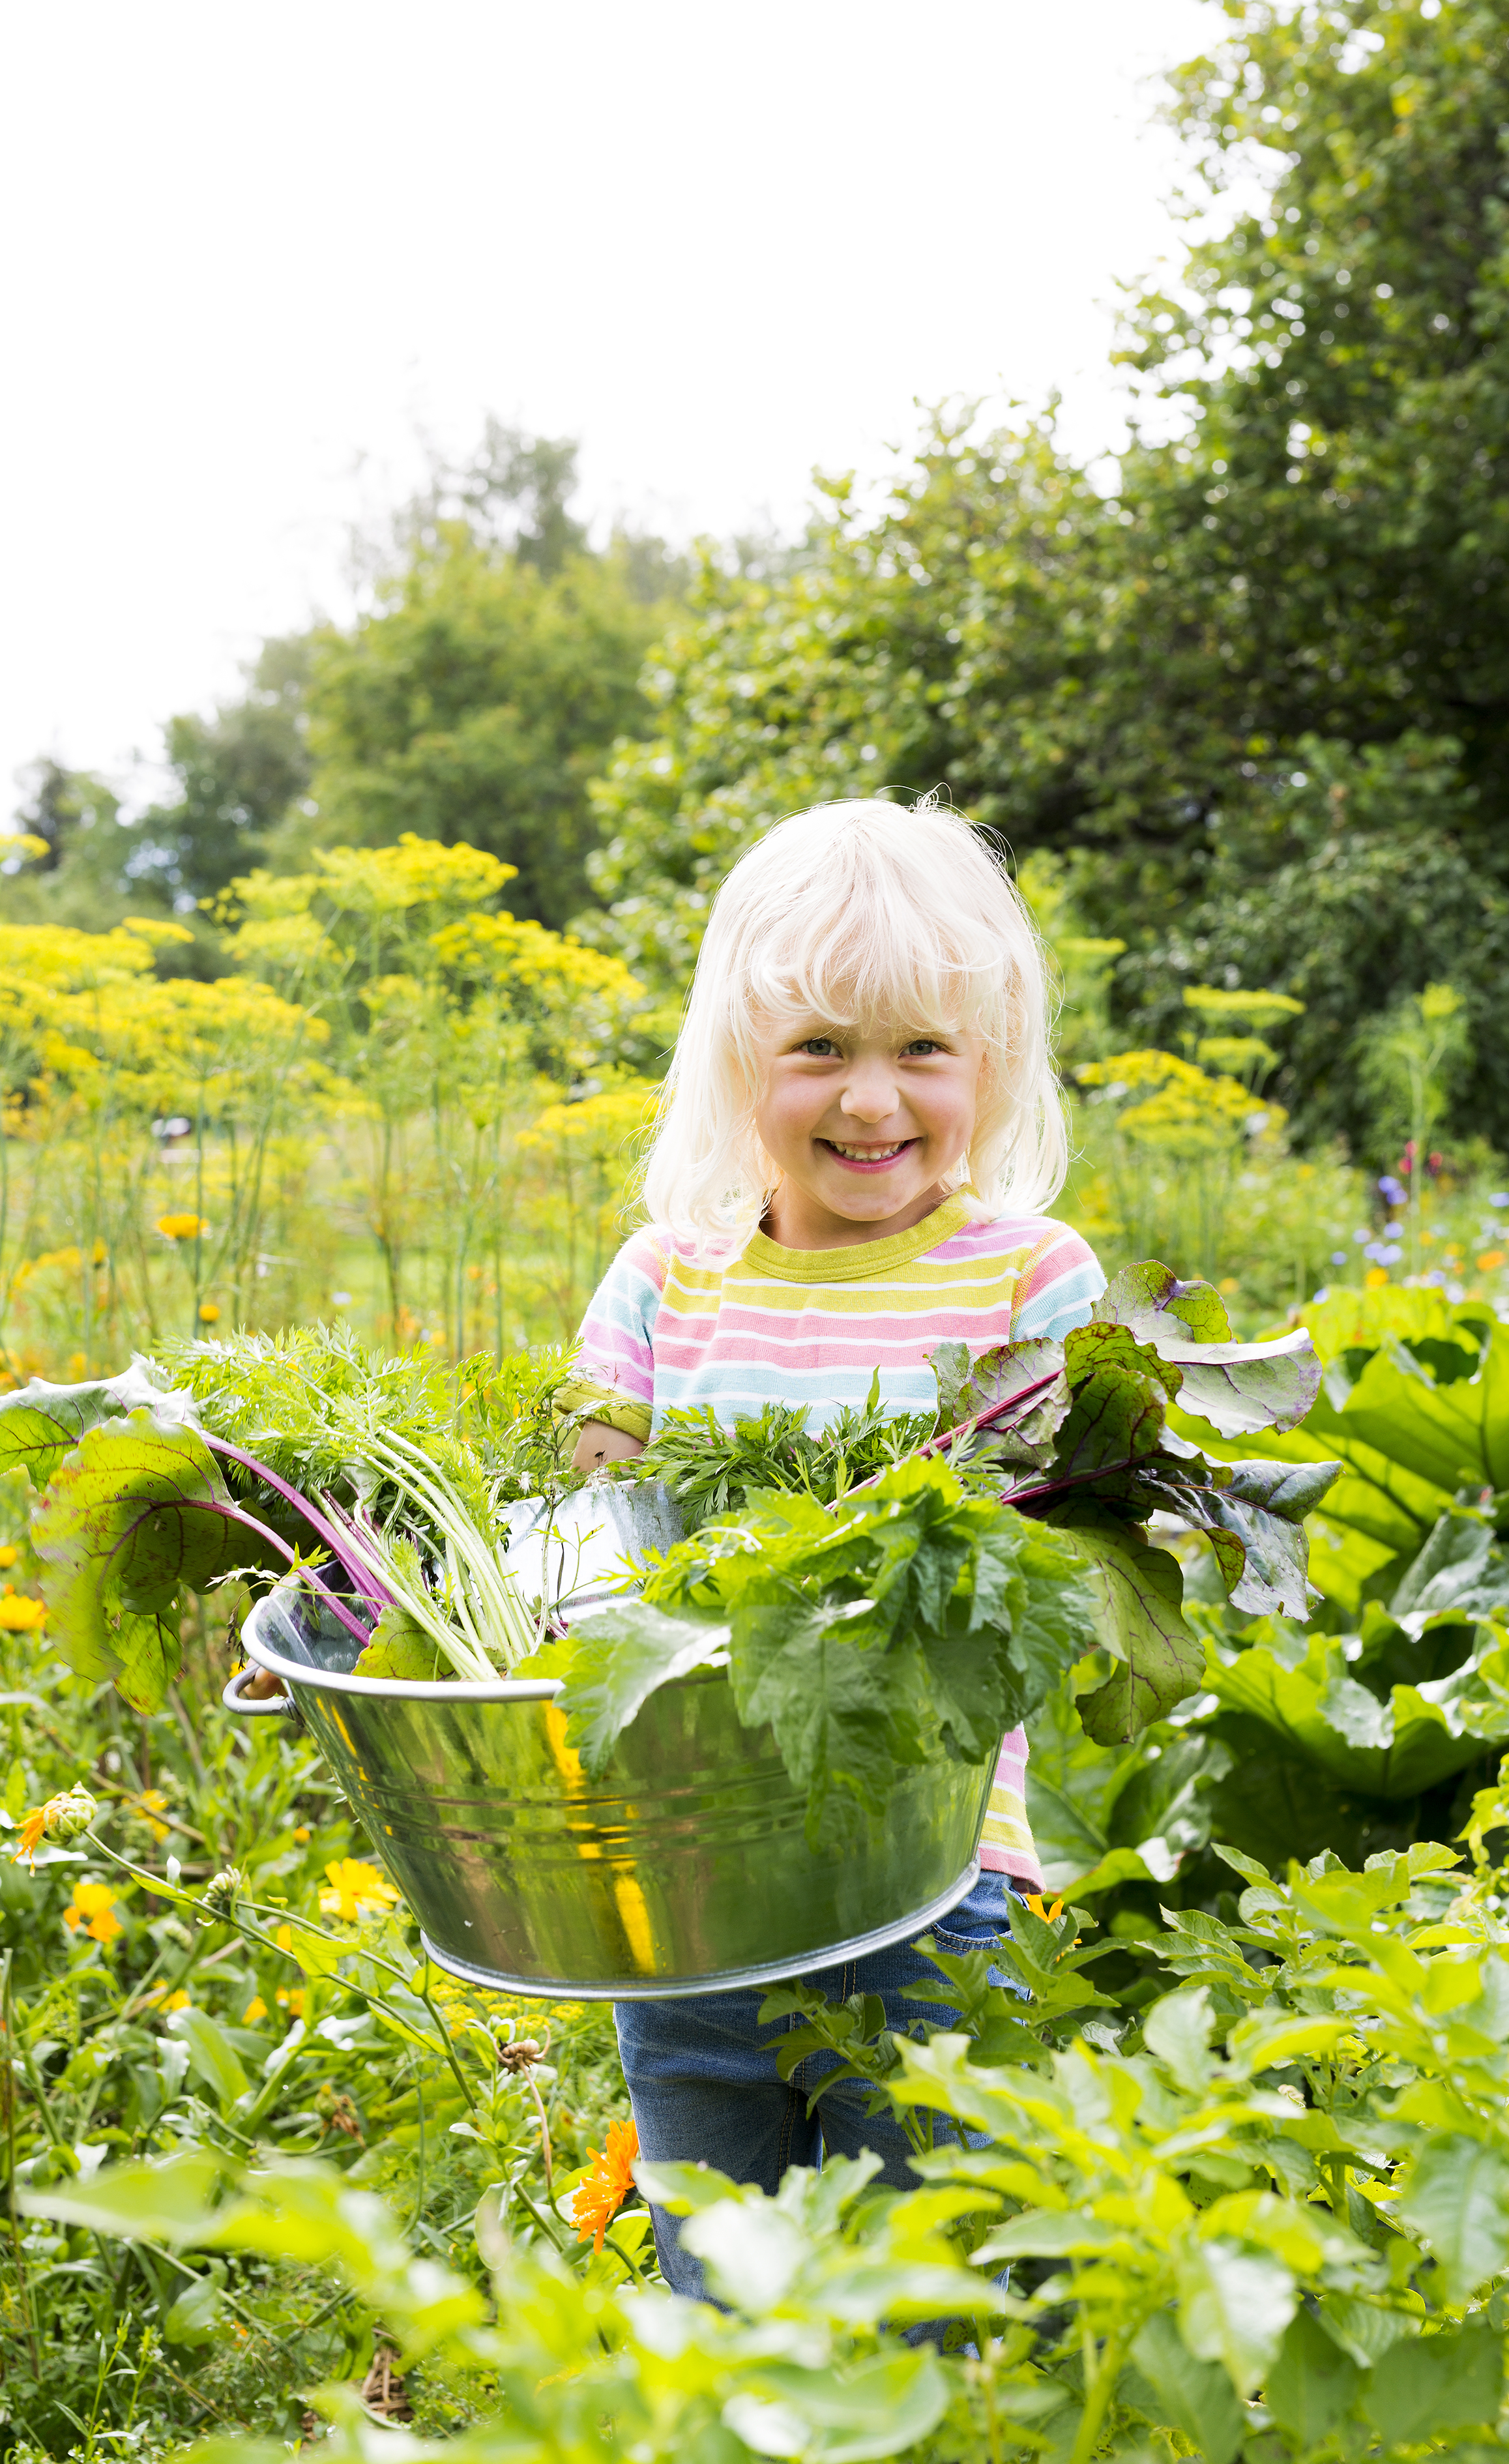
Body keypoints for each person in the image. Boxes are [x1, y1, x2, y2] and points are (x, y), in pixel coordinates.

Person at [561, 794, 1105, 2302]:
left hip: (930, 1873)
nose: (871, 1100)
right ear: (739, 1060)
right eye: (818, 1048)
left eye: (922, 1048)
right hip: (694, 1889)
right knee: (722, 2286)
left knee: (931, 2292)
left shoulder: (1032, 1282)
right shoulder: (664, 1284)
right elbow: (578, 1552)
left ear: (994, 1059)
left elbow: (1065, 1557)